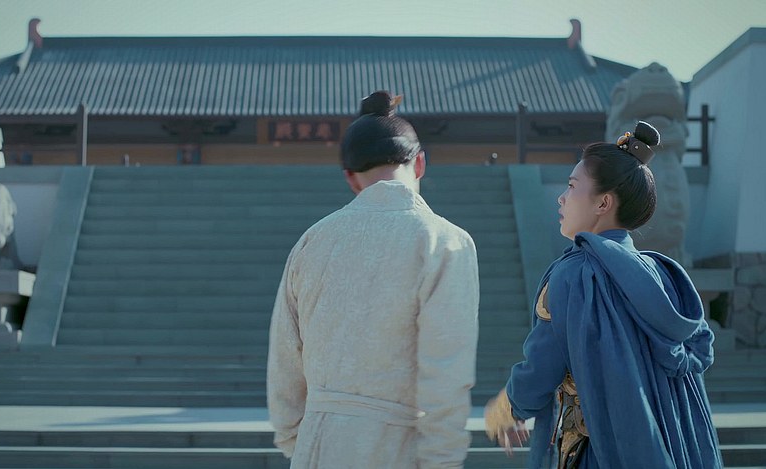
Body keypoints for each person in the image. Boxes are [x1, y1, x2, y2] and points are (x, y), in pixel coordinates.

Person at [484, 121, 723, 468]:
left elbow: (543, 366)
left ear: (603, 203)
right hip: (667, 444)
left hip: (604, 448)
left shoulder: (575, 274)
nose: (561, 197)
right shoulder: (662, 274)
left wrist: (507, 408)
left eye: (571, 186)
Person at [267, 90, 480, 468]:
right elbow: (447, 368)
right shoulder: (445, 241)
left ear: (350, 178)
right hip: (399, 447)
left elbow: (285, 359)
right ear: (419, 163)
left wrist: (297, 440)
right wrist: (442, 459)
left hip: (317, 445)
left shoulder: (312, 241)